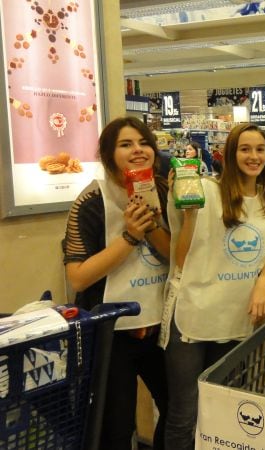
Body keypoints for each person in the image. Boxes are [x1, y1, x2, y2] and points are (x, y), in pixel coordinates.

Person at [162, 124, 265, 450]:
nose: (253, 156)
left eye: (259, 149)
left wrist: (263, 280)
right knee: (184, 413)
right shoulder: (207, 190)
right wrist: (188, 217)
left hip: (235, 316)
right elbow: (181, 258)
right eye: (245, 149)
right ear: (230, 153)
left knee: (226, 409)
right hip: (193, 313)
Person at [62, 116, 170, 450]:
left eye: (143, 143)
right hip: (112, 335)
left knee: (179, 409)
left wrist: (151, 225)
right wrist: (129, 236)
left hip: (161, 327)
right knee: (116, 428)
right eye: (126, 144)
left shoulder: (165, 190)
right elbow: (78, 275)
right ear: (109, 154)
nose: (138, 150)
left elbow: (174, 256)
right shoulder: (91, 201)